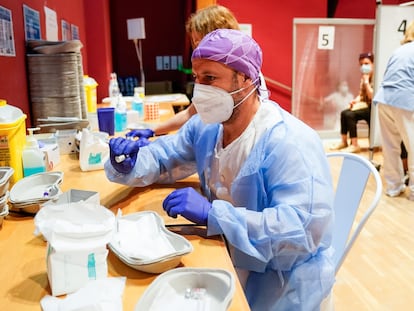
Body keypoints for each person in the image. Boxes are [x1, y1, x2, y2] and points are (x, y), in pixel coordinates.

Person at [105, 29, 335, 310]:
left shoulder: (289, 143)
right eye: (197, 79)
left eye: (210, 78)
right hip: (227, 254)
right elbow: (165, 155)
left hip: (282, 282)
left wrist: (215, 215)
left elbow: (297, 231)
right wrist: (131, 162)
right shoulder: (206, 127)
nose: (200, 91)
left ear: (247, 79)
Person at [127, 4, 268, 141]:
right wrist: (152, 130)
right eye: (195, 43)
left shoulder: (242, 79)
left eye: (200, 41)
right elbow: (192, 112)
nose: (198, 49)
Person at [373, 20, 414, 201]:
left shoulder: (399, 50)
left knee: (390, 147)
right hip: (404, 101)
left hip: (384, 98)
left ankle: (393, 186)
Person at [330, 52, 374, 153]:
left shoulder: (375, 78)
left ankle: (355, 145)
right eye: (361, 64)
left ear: (373, 64)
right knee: (344, 112)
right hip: (365, 105)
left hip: (374, 107)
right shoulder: (364, 77)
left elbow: (372, 96)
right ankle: (344, 142)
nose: (364, 66)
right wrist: (355, 101)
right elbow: (361, 95)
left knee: (350, 115)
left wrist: (367, 82)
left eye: (367, 63)